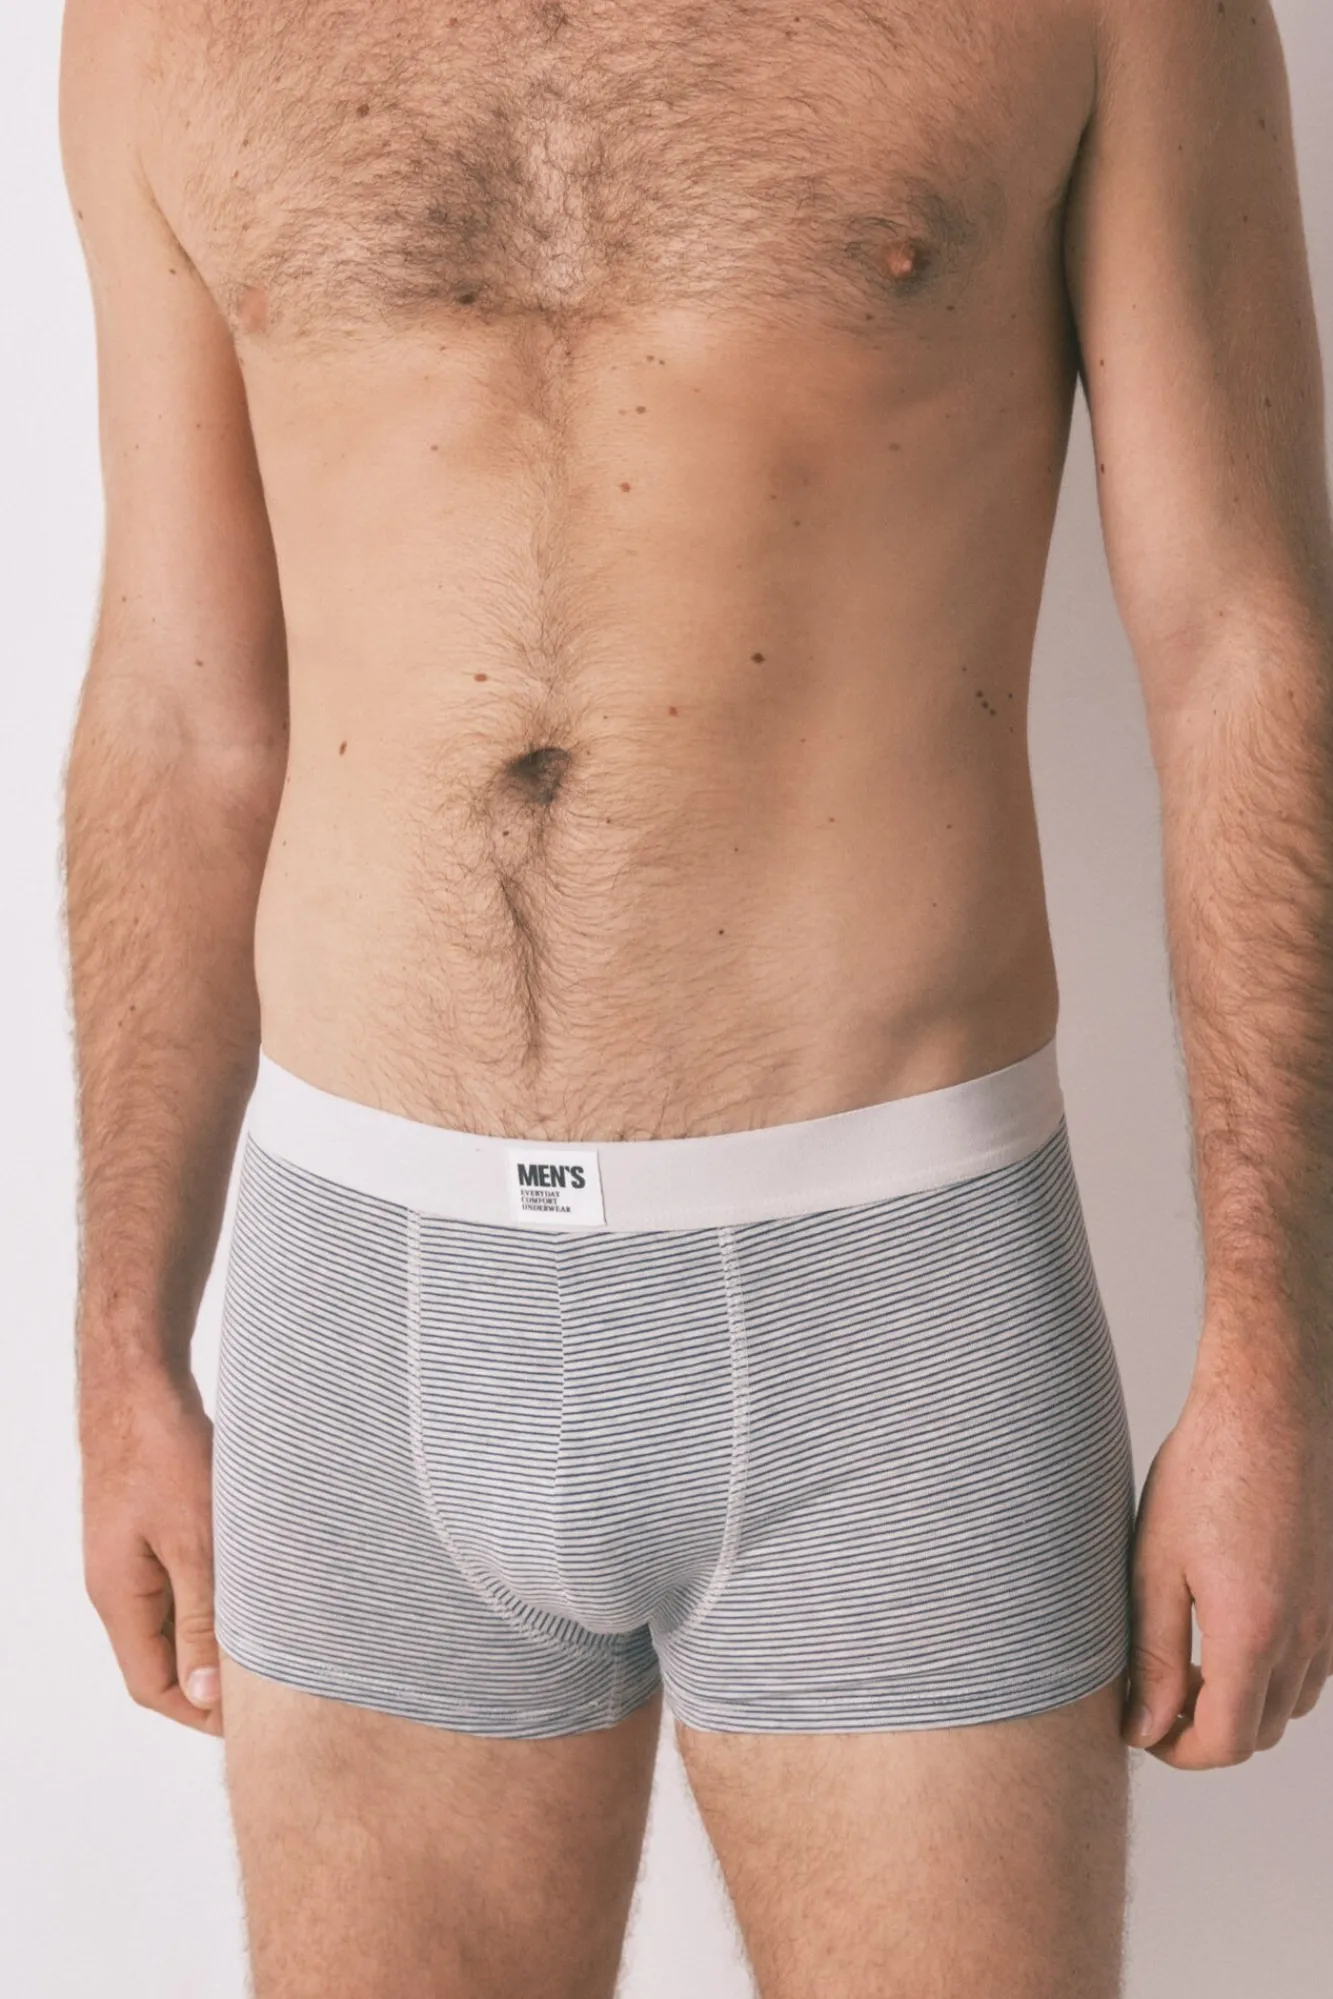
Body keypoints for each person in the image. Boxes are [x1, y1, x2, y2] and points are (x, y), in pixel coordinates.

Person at [59, 0, 1333, 1990]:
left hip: (889, 1296)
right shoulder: (164, 28)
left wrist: (1282, 1356)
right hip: (366, 1310)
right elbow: (175, 699)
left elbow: (1241, 642)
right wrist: (119, 1340)